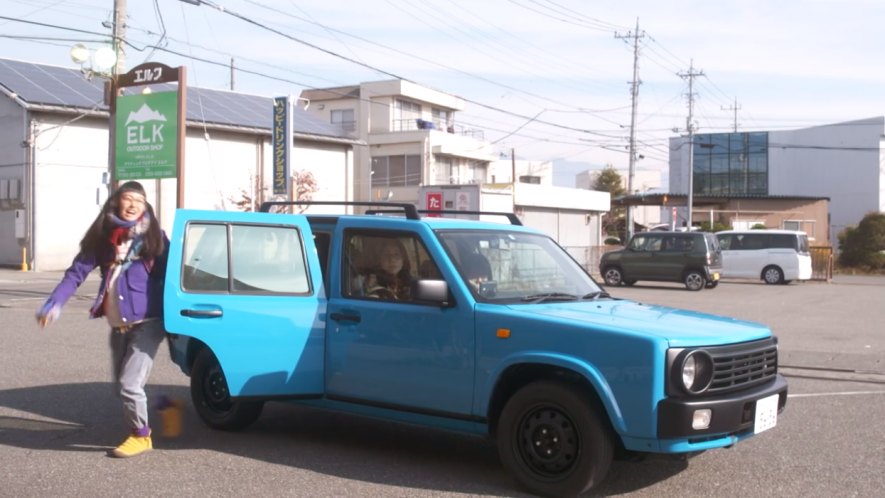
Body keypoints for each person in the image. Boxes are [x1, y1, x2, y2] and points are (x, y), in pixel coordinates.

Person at [35, 181, 169, 458]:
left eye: (139, 201)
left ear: (146, 207)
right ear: (116, 202)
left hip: (149, 322)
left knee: (130, 385)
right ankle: (165, 407)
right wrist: (54, 304)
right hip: (118, 326)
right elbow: (75, 274)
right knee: (123, 387)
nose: (133, 205)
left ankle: (141, 436)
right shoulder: (103, 239)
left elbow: (177, 274)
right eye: (128, 199)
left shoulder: (156, 239)